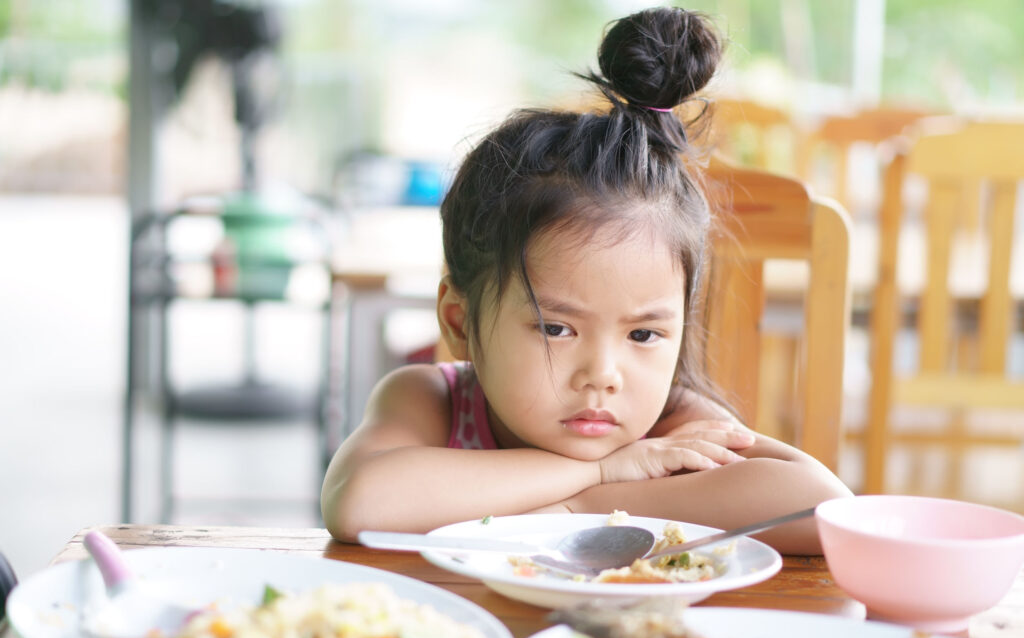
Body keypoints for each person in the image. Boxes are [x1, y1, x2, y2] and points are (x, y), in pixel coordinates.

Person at [321, 6, 852, 554]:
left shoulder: (671, 424)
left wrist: (579, 508)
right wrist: (599, 474)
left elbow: (824, 509)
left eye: (643, 335)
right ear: (460, 320)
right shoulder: (433, 400)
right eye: (556, 328)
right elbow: (361, 502)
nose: (603, 376)